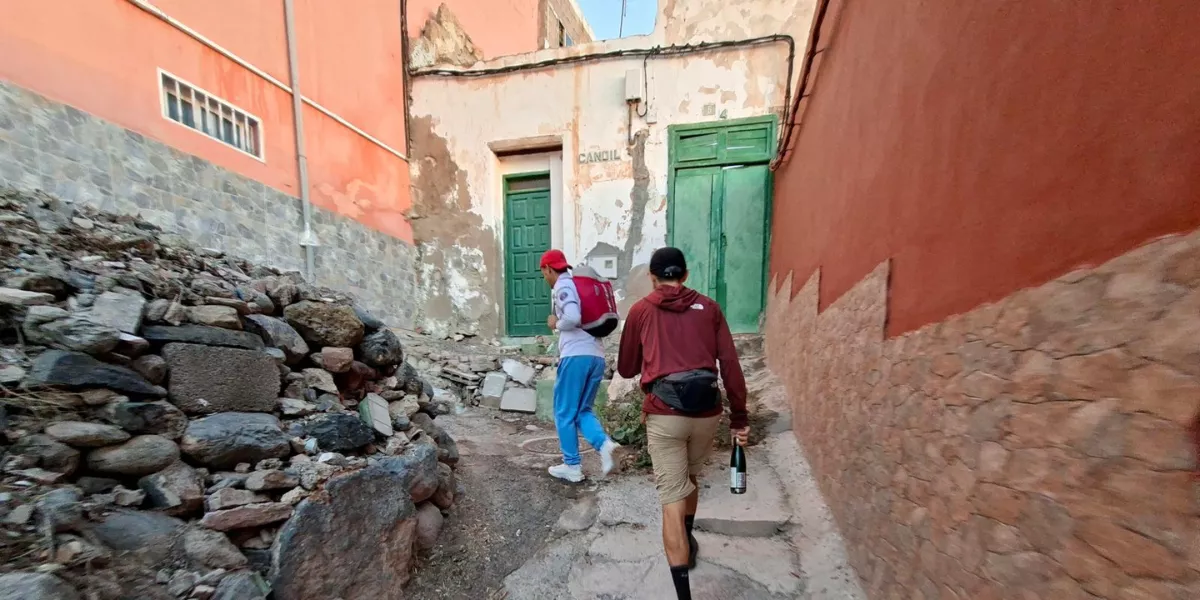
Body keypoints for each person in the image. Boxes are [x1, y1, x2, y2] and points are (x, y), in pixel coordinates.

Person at [616, 247, 749, 600]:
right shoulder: (710, 309)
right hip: (707, 414)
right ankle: (688, 538)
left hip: (665, 415)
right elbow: (731, 365)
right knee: (689, 479)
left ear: (653, 278)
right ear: (686, 275)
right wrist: (740, 417)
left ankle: (683, 592)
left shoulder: (642, 311)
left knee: (671, 498)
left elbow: (627, 368)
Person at [539, 249, 619, 483]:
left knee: (563, 412)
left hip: (575, 356)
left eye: (544, 272)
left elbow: (572, 317)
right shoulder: (576, 283)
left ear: (548, 269)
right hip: (595, 356)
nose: (544, 277)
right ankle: (605, 445)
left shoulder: (563, 287)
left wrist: (556, 323)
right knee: (582, 410)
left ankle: (572, 466)